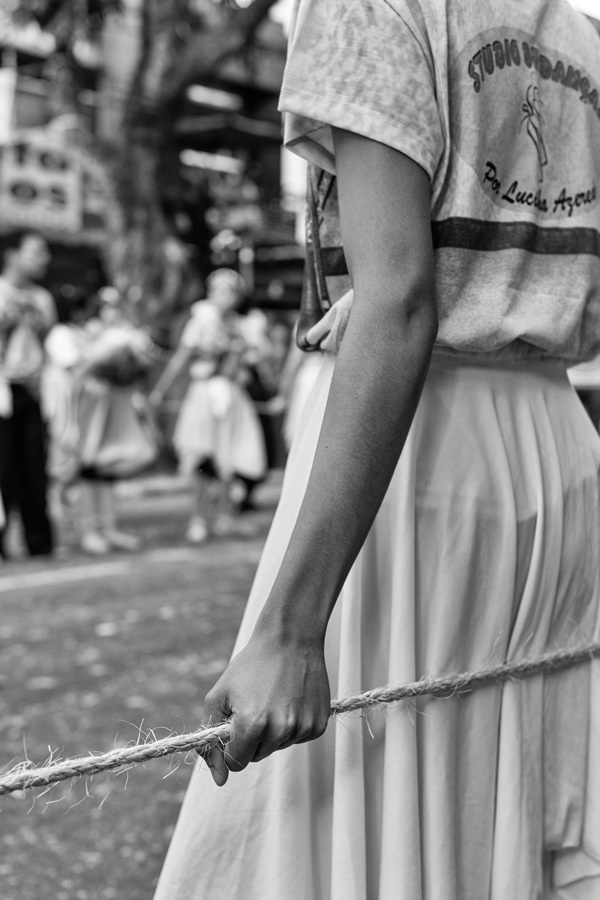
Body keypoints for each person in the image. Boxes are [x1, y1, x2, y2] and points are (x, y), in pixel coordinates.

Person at [154, 2, 600, 899]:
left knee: (365, 814)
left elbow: (399, 302)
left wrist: (291, 629)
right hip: (556, 449)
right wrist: (451, 282)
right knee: (498, 791)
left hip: (417, 450)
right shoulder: (580, 35)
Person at [150, 269, 267, 543]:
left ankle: (224, 514)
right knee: (201, 456)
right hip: (204, 394)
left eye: (227, 291)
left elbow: (257, 358)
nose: (221, 296)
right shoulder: (201, 322)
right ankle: (198, 517)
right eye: (216, 290)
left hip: (231, 395)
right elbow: (182, 357)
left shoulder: (242, 326)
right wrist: (160, 391)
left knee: (229, 454)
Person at [0, 229, 56, 558]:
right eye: (36, 252)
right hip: (1, 391)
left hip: (33, 390)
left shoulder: (43, 299)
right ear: (12, 255)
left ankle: (40, 542)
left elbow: (47, 342)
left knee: (35, 467)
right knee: (3, 466)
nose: (44, 259)